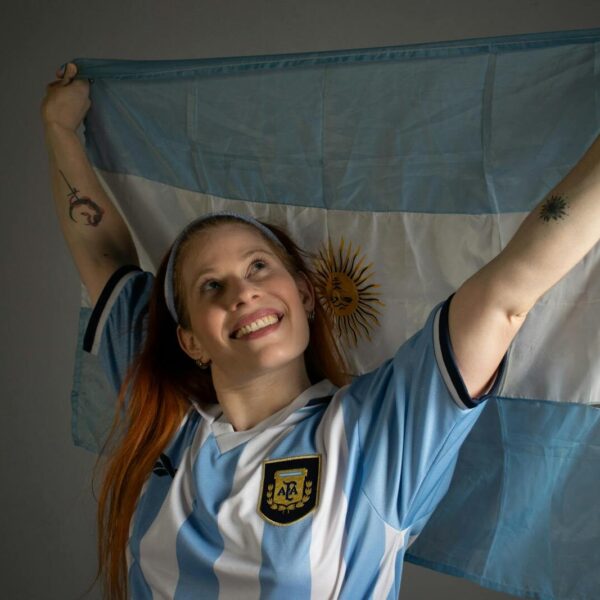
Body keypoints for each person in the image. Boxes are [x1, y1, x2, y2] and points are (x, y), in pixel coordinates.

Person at [42, 63, 600, 600]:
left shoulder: (374, 431)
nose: (243, 292)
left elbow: (508, 294)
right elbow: (103, 256)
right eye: (211, 286)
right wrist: (60, 127)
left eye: (259, 266)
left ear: (305, 296)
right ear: (190, 340)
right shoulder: (162, 420)